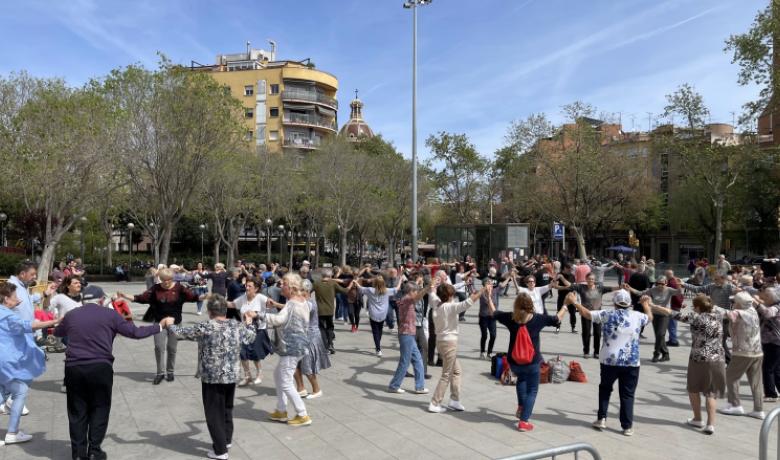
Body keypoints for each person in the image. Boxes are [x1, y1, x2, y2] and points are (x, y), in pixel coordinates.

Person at [54, 288, 165, 460]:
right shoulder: (110, 315)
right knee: (100, 407)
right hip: (100, 367)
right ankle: (94, 451)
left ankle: (77, 454)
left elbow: (58, 333)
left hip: (74, 367)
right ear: (101, 300)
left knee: (77, 411)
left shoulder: (72, 315)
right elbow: (135, 333)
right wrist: (159, 326)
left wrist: (63, 322)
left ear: (83, 299)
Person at [163, 295, 255, 460]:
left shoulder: (206, 326)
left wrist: (170, 324)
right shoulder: (236, 325)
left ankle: (220, 451)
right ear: (225, 310)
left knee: (214, 413)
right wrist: (249, 322)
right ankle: (225, 440)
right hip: (231, 375)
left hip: (212, 377)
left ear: (210, 311)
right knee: (227, 409)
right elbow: (251, 337)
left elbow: (181, 333)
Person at [576, 289, 651, 437]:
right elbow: (650, 317)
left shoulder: (607, 314)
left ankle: (602, 419)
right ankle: (627, 426)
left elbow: (587, 314)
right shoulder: (637, 316)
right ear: (629, 303)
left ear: (615, 302)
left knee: (605, 389)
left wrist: (575, 303)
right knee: (627, 394)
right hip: (631, 361)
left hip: (609, 360)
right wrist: (646, 304)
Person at [489, 292, 567, 431]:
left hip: (514, 361)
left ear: (516, 304)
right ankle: (524, 421)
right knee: (532, 390)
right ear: (530, 304)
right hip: (532, 362)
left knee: (521, 381)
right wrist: (566, 305)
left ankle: (521, 407)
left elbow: (494, 312)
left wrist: (489, 296)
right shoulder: (538, 319)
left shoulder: (510, 318)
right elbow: (556, 319)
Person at [651, 295, 727, 435]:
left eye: (694, 306)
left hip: (699, 358)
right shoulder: (718, 315)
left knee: (693, 389)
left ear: (698, 307)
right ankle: (710, 425)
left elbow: (672, 313)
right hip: (718, 358)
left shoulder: (695, 317)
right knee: (711, 393)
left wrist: (654, 306)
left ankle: (698, 419)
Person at [117, 268, 203, 384]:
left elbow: (193, 297)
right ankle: (160, 373)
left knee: (172, 348)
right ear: (160, 279)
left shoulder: (180, 288)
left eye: (168, 280)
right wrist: (125, 295)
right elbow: (141, 298)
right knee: (159, 347)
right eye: (163, 280)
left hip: (175, 323)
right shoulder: (156, 288)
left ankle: (170, 371)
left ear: (172, 278)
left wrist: (206, 297)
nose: (166, 282)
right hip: (159, 323)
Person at [0, 282, 58, 446]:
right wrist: (56, 320)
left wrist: (42, 295)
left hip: (4, 361)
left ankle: (12, 431)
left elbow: (29, 299)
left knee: (3, 393)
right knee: (20, 392)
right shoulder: (8, 316)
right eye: (15, 297)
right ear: (6, 299)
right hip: (6, 361)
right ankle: (12, 433)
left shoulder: (4, 311)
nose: (18, 300)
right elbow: (30, 325)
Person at [427, 280, 488, 413]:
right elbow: (469, 302)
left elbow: (431, 292)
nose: (454, 297)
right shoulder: (450, 307)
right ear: (449, 296)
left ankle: (454, 400)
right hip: (449, 343)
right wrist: (483, 290)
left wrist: (433, 284)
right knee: (446, 374)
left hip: (441, 341)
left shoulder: (435, 302)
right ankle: (435, 403)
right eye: (452, 295)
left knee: (457, 371)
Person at [265, 274, 313, 427]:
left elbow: (278, 320)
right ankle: (281, 410)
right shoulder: (302, 301)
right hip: (299, 346)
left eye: (284, 284)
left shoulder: (292, 302)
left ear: (291, 287)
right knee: (278, 374)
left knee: (285, 381)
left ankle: (302, 414)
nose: (281, 287)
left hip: (293, 347)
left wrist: (258, 315)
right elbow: (289, 312)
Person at [718, 292, 764, 419]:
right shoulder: (752, 311)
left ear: (740, 304)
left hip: (743, 353)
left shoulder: (740, 313)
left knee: (731, 377)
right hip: (757, 352)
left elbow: (726, 314)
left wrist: (709, 306)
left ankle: (735, 405)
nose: (732, 304)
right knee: (756, 382)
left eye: (734, 302)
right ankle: (758, 410)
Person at [625, 275, 684, 362]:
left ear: (666, 283)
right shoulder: (653, 290)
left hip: (664, 314)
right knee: (659, 336)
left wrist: (680, 284)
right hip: (655, 314)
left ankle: (656, 354)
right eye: (658, 283)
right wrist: (629, 288)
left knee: (660, 334)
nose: (660, 285)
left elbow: (679, 292)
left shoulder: (669, 290)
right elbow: (639, 293)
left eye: (662, 284)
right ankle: (666, 354)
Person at [388, 281, 432, 394]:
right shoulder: (406, 299)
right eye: (415, 291)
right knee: (405, 361)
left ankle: (420, 386)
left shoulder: (405, 299)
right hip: (406, 334)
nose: (416, 293)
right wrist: (427, 287)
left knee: (418, 359)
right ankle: (394, 385)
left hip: (409, 334)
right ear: (411, 291)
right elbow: (418, 297)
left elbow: (417, 296)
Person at [232, 279, 278, 386]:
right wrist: (219, 302)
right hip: (245, 330)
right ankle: (247, 376)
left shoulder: (260, 297)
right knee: (242, 353)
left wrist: (272, 303)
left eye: (249, 286)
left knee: (255, 354)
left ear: (256, 289)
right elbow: (233, 304)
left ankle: (259, 374)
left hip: (258, 330)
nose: (247, 288)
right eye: (246, 286)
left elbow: (270, 303)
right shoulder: (243, 298)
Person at [295, 279, 332, 399]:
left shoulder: (309, 303)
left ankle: (317, 390)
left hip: (310, 337)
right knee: (296, 364)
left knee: (307, 365)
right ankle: (301, 388)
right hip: (304, 337)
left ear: (306, 291)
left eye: (300, 290)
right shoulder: (304, 302)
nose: (298, 292)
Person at [353, 271, 403, 357]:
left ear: (374, 283)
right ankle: (378, 345)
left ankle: (378, 348)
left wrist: (355, 281)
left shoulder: (370, 290)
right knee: (380, 330)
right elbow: (397, 288)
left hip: (373, 314)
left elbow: (360, 288)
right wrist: (400, 280)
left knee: (375, 331)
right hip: (383, 313)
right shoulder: (387, 291)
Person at [572, 274, 621, 359]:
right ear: (586, 279)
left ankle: (596, 352)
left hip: (598, 314)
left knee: (597, 333)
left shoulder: (600, 288)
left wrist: (621, 286)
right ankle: (586, 351)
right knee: (586, 333)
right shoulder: (581, 287)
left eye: (592, 279)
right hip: (586, 313)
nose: (590, 280)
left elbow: (611, 288)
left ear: (594, 280)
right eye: (589, 279)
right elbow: (569, 285)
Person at [312, 268, 349, 354]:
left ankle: (325, 346)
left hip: (320, 310)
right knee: (330, 327)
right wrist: (351, 285)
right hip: (330, 310)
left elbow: (307, 291)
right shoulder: (333, 283)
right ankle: (330, 345)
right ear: (330, 275)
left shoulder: (316, 283)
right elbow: (344, 291)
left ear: (322, 275)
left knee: (321, 328)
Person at [755, 289, 780, 403]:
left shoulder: (776, 307)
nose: (764, 298)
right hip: (771, 341)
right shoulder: (772, 305)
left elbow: (768, 313)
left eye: (766, 296)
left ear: (771, 297)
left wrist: (757, 304)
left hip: (773, 342)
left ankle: (771, 394)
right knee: (775, 368)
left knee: (767, 368)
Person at [665, 269, 685, 347]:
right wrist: (681, 303)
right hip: (676, 305)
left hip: (674, 306)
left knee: (672, 324)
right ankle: (672, 339)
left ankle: (673, 341)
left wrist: (680, 304)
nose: (666, 277)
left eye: (666, 275)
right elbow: (681, 293)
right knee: (672, 323)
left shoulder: (671, 283)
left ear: (668, 275)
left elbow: (676, 295)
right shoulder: (676, 280)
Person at [554, 263, 577, 333]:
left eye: (571, 269)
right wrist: (565, 288)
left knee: (573, 313)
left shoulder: (572, 276)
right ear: (565, 268)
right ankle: (557, 327)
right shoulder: (559, 275)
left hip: (571, 297)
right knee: (559, 312)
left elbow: (573, 286)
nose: (571, 271)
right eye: (569, 269)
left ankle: (573, 327)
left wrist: (575, 295)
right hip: (562, 297)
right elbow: (555, 286)